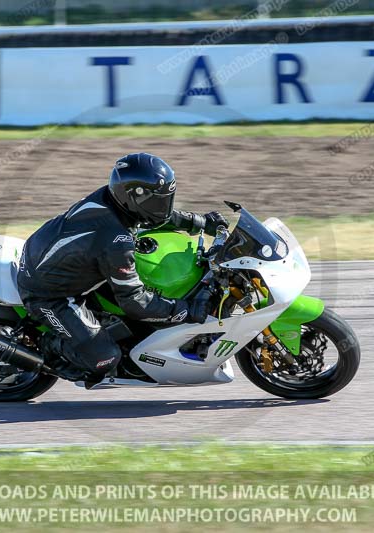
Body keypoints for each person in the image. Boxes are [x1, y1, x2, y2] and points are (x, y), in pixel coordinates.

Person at [16, 152, 227, 381]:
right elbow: (135, 303)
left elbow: (153, 216)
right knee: (105, 358)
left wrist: (200, 222)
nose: (163, 206)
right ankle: (48, 347)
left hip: (52, 258)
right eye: (158, 200)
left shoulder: (112, 198)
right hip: (49, 294)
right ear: (134, 196)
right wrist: (185, 310)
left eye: (166, 199)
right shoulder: (115, 241)